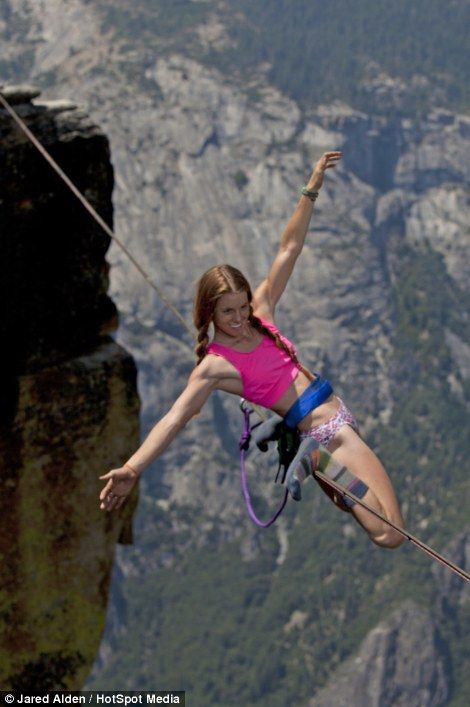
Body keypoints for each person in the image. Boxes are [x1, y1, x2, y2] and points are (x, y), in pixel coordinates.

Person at [99, 151, 404, 549]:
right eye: (228, 312)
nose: (241, 317)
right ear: (209, 312)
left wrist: (309, 191)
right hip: (327, 434)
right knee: (388, 534)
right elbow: (176, 417)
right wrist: (132, 468)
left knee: (387, 524)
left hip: (336, 420)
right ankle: (313, 460)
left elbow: (288, 249)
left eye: (243, 306)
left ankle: (316, 461)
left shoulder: (261, 313)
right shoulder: (216, 366)